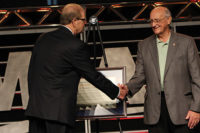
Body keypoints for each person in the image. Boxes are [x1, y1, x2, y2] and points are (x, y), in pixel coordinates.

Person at [25, 3, 128, 133]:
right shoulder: (76, 45)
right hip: (58, 115)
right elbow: (92, 75)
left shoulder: (42, 39)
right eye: (83, 20)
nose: (85, 23)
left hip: (36, 111)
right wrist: (117, 92)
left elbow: (31, 74)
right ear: (74, 21)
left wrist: (35, 100)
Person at [124, 6, 200, 133]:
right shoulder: (144, 46)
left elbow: (197, 78)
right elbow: (139, 76)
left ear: (168, 20)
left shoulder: (186, 43)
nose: (154, 24)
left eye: (157, 20)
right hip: (155, 113)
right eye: (151, 21)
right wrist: (126, 89)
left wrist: (196, 109)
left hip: (183, 112)